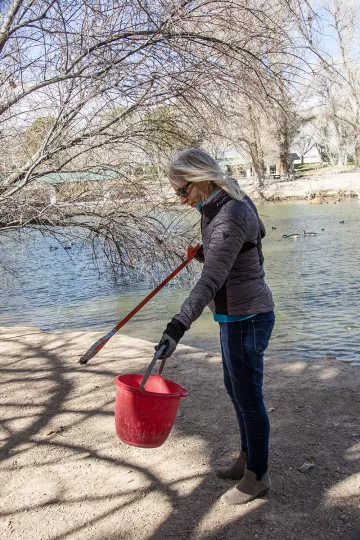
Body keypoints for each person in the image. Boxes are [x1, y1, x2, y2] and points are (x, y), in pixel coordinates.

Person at [155, 148, 275, 505]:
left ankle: (258, 477)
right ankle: (246, 459)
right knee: (236, 390)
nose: (181, 199)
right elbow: (256, 235)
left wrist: (177, 326)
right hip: (232, 315)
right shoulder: (223, 203)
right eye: (177, 192)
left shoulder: (228, 212)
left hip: (247, 317)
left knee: (248, 397)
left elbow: (210, 280)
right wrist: (213, 250)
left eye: (183, 190)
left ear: (202, 178)